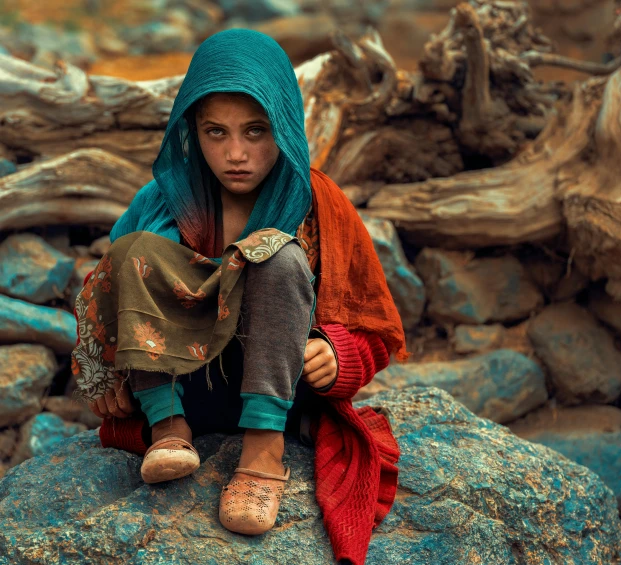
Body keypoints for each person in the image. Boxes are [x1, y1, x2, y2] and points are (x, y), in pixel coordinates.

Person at [71, 28, 407, 565]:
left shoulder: (319, 204)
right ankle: (169, 434)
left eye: (256, 131)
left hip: (278, 397)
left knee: (276, 255)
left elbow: (376, 327)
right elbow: (108, 291)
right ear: (191, 131)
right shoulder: (163, 199)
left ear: (286, 126)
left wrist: (338, 355)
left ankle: (261, 458)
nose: (235, 154)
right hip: (182, 392)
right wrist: (106, 370)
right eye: (215, 132)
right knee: (134, 249)